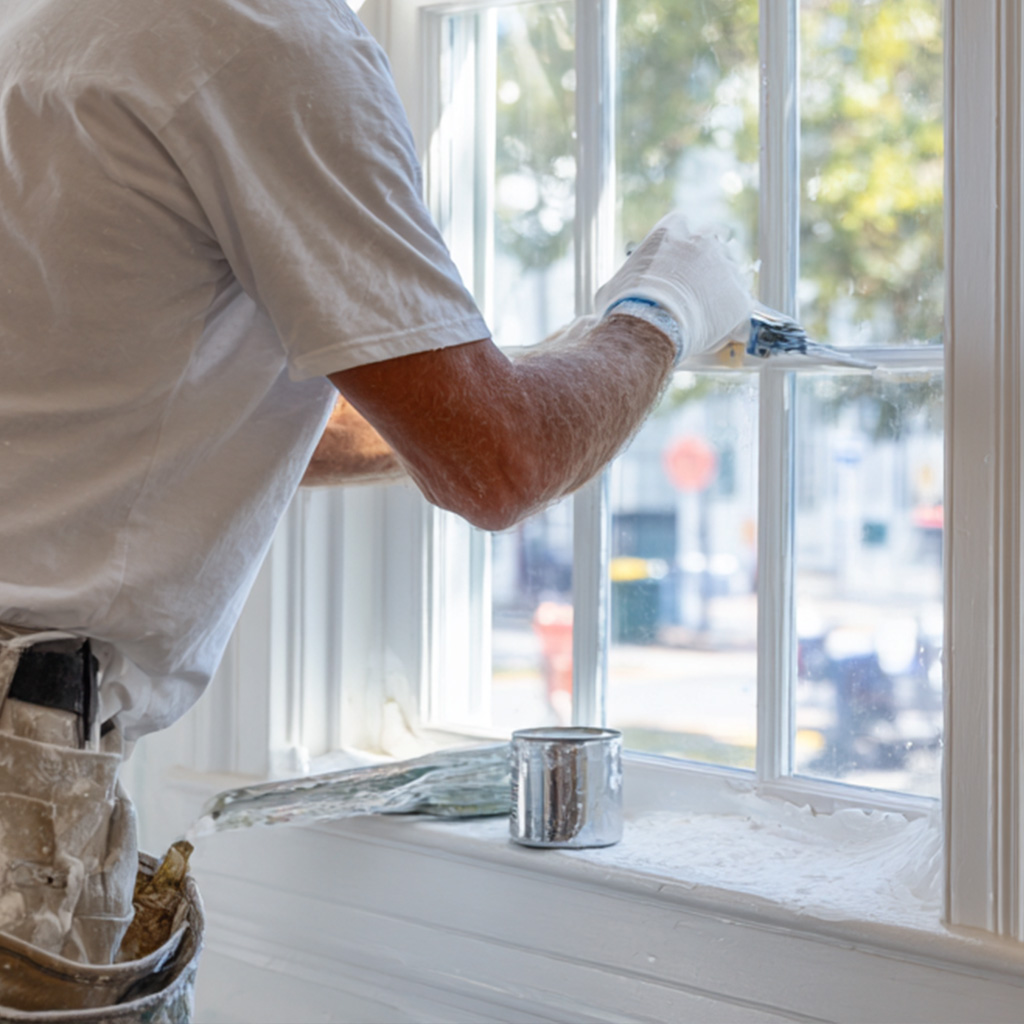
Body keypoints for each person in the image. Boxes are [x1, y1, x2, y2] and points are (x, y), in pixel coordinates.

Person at [0, 0, 752, 1014]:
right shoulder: (265, 38)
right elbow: (501, 462)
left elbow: (154, 424)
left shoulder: (64, 28)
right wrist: (666, 305)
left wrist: (453, 398)